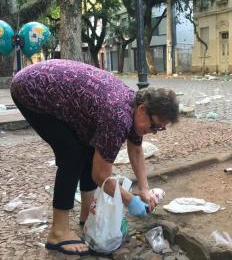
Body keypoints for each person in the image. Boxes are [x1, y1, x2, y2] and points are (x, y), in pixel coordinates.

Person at [10, 59, 179, 256]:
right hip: (31, 89)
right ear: (142, 109)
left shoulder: (133, 107)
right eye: (155, 126)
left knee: (89, 149)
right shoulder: (117, 116)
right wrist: (130, 200)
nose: (155, 132)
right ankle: (58, 232)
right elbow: (101, 175)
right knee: (72, 156)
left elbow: (136, 150)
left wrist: (144, 189)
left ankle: (86, 214)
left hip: (53, 87)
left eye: (160, 129)